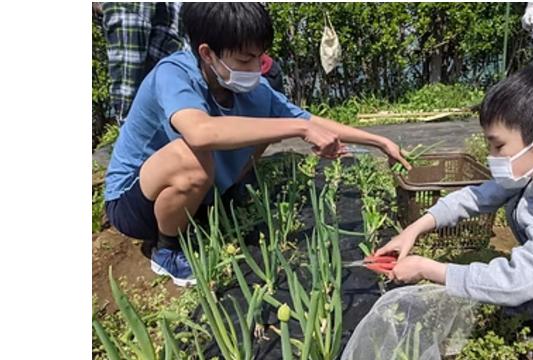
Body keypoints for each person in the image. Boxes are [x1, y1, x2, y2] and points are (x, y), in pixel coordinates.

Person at [103, 3, 411, 287]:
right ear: (208, 53)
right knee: (191, 158)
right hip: (135, 204)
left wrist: (378, 141)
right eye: (244, 59)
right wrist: (301, 129)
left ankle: (224, 197)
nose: (254, 69)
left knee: (264, 126)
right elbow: (200, 132)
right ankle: (167, 251)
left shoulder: (254, 88)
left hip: (197, 196)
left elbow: (309, 119)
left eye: (259, 58)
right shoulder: (173, 74)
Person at [375, 66, 533, 352]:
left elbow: (517, 280)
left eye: (498, 145)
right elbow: (478, 196)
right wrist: (415, 228)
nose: (491, 156)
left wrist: (428, 268)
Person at [101, 2, 189, 126]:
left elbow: (128, 77)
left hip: (161, 119)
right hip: (188, 101)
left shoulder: (123, 6)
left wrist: (127, 127)